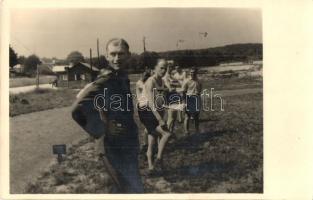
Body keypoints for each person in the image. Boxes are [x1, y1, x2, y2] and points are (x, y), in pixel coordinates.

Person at [71, 38, 144, 193]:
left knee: (125, 189)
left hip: (126, 142)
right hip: (112, 145)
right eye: (113, 54)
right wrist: (102, 130)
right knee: (130, 189)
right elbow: (77, 108)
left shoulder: (122, 77)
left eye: (121, 54)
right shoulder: (106, 79)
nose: (117, 58)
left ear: (128, 55)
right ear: (107, 56)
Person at [137, 59, 171, 174]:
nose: (164, 70)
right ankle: (159, 159)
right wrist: (160, 120)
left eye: (165, 68)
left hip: (153, 110)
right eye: (161, 67)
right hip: (145, 110)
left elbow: (160, 100)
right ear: (155, 68)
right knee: (166, 133)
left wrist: (162, 114)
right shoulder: (150, 81)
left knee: (152, 138)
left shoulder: (162, 81)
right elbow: (151, 103)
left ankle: (151, 168)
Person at [163, 64, 184, 133]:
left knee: (174, 118)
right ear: (166, 68)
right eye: (169, 67)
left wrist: (173, 84)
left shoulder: (172, 76)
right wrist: (175, 86)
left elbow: (180, 84)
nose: (171, 68)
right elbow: (169, 89)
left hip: (175, 97)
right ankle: (167, 134)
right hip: (170, 98)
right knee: (171, 118)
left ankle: (170, 133)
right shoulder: (165, 77)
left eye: (171, 67)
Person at [182, 67, 202, 135]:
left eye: (194, 72)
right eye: (191, 72)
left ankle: (197, 130)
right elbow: (183, 92)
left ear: (196, 73)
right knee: (187, 117)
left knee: (196, 116)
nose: (192, 74)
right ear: (189, 73)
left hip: (196, 99)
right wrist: (184, 102)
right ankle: (186, 131)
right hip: (189, 99)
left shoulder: (199, 81)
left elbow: (200, 90)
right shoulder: (186, 81)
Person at [135, 70, 151, 152]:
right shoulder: (139, 83)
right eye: (146, 76)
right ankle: (145, 144)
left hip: (147, 106)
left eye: (148, 77)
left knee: (149, 126)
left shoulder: (145, 82)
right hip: (142, 106)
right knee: (148, 126)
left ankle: (148, 143)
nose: (147, 78)